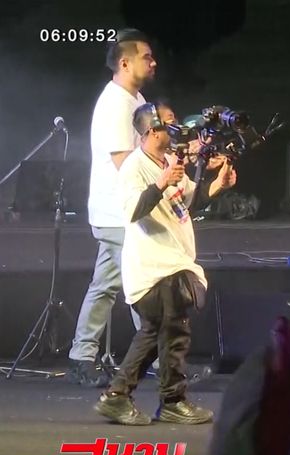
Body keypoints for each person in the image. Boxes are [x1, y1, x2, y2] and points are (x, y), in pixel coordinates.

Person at [94, 102, 236, 425]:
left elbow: (187, 202)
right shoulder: (134, 167)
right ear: (152, 130)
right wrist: (161, 182)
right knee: (174, 333)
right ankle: (173, 400)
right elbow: (133, 210)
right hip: (155, 267)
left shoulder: (169, 161)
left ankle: (117, 396)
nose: (178, 128)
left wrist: (218, 185)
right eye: (170, 122)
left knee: (154, 334)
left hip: (171, 261)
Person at [69, 29, 155, 387]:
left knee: (107, 284)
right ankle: (158, 360)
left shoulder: (136, 100)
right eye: (146, 57)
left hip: (123, 211)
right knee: (143, 284)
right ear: (125, 62)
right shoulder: (116, 104)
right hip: (116, 212)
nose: (153, 62)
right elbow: (126, 163)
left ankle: (82, 357)